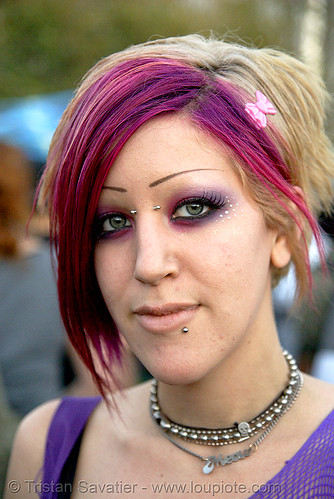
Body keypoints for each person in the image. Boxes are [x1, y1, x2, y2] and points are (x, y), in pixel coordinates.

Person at [5, 34, 334, 498]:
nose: (149, 264)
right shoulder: (48, 451)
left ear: (283, 228)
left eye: (194, 208)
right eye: (112, 222)